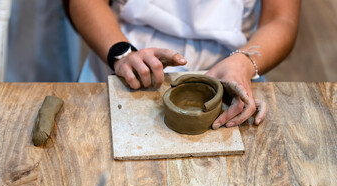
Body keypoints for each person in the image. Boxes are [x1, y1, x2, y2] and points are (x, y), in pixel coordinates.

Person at [65, 0, 300, 129]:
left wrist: (244, 63)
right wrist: (121, 53)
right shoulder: (124, 54)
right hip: (129, 54)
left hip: (231, 66)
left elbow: (282, 19)